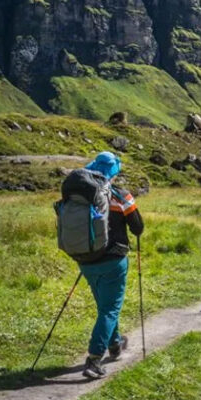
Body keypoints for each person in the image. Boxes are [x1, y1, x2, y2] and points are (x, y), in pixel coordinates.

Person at [80, 151, 144, 379]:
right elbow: (138, 228)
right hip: (114, 261)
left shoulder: (82, 195)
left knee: (105, 307)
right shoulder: (120, 195)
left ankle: (115, 344)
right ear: (113, 172)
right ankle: (94, 359)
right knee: (109, 309)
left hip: (86, 261)